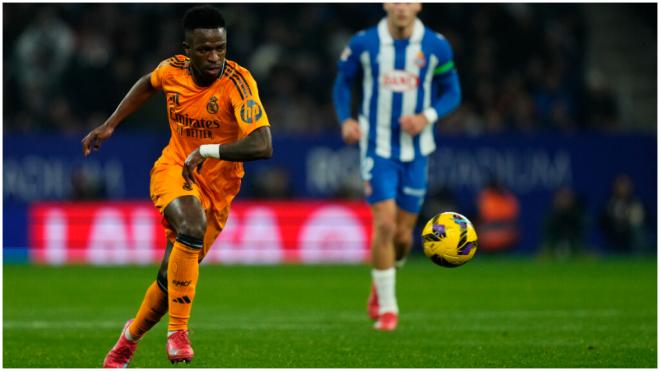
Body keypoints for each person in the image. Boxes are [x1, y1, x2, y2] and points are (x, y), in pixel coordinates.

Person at [81, 6, 272, 367]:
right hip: (175, 169)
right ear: (187, 50)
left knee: (170, 281)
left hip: (219, 188)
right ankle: (178, 333)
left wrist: (207, 150)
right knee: (190, 224)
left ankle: (128, 339)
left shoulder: (239, 82)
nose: (214, 57)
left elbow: (263, 145)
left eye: (220, 48)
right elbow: (147, 84)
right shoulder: (173, 70)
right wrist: (110, 125)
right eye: (204, 50)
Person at [332, 3, 461, 331]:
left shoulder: (435, 45)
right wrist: (346, 119)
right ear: (386, 4)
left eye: (409, 1)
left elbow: (453, 92)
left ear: (418, 6)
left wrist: (426, 117)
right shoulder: (364, 42)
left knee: (404, 235)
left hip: (417, 151)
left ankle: (382, 280)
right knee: (385, 225)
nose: (402, 7)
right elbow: (342, 83)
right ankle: (389, 309)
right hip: (378, 147)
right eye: (396, 0)